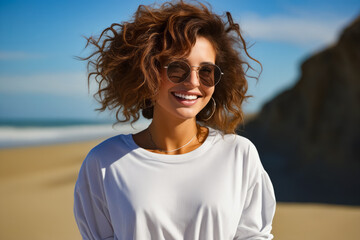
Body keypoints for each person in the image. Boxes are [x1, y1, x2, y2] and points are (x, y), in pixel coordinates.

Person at [73, 1, 276, 239]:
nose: (192, 82)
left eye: (206, 71)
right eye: (177, 69)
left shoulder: (239, 155)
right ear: (147, 72)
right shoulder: (104, 162)